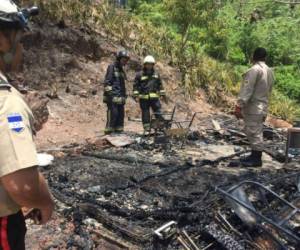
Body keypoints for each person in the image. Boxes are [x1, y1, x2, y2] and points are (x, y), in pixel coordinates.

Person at [0, 1, 54, 249]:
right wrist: (45, 202)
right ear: (2, 41)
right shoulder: (6, 104)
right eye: (20, 41)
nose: (23, 49)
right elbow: (22, 186)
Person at [235, 47, 274, 167]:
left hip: (254, 107)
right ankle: (254, 155)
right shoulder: (270, 71)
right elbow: (269, 90)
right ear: (265, 57)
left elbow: (248, 89)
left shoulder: (254, 70)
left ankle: (256, 159)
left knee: (254, 132)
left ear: (253, 56)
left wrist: (239, 105)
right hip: (263, 106)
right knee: (256, 131)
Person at [133, 55, 166, 132]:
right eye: (148, 64)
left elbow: (160, 85)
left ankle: (161, 127)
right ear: (145, 64)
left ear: (153, 65)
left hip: (154, 98)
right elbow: (136, 86)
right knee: (145, 114)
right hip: (144, 98)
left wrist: (162, 94)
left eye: (151, 64)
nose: (149, 66)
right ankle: (147, 128)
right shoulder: (139, 74)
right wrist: (135, 95)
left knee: (158, 112)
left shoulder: (156, 74)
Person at [103, 50, 130, 134]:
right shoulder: (112, 67)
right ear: (119, 59)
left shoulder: (121, 70)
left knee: (120, 116)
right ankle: (109, 133)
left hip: (120, 99)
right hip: (113, 98)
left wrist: (124, 96)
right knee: (113, 115)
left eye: (126, 60)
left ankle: (119, 132)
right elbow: (107, 82)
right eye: (123, 59)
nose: (124, 61)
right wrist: (111, 95)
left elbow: (121, 85)